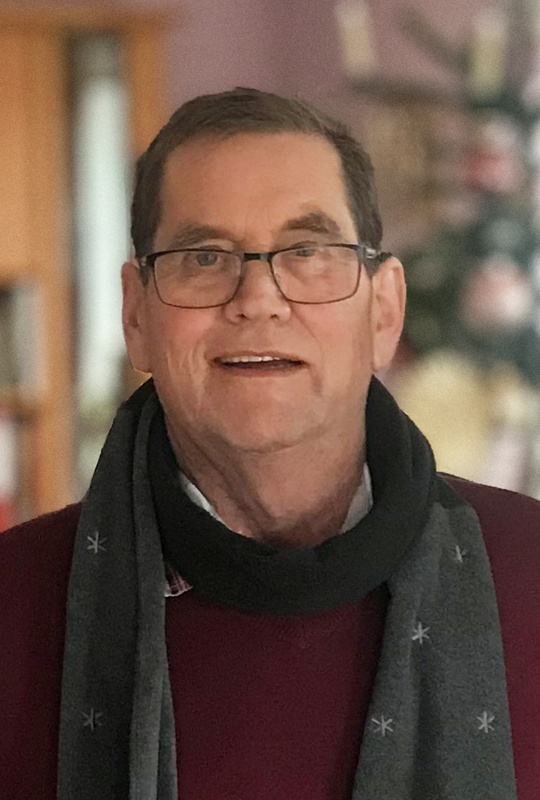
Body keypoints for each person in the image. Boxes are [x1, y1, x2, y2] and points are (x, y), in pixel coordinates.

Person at [1, 87, 539, 800]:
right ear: (136, 316)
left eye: (308, 251)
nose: (257, 298)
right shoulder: (14, 599)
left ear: (384, 311)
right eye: (204, 257)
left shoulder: (530, 569)